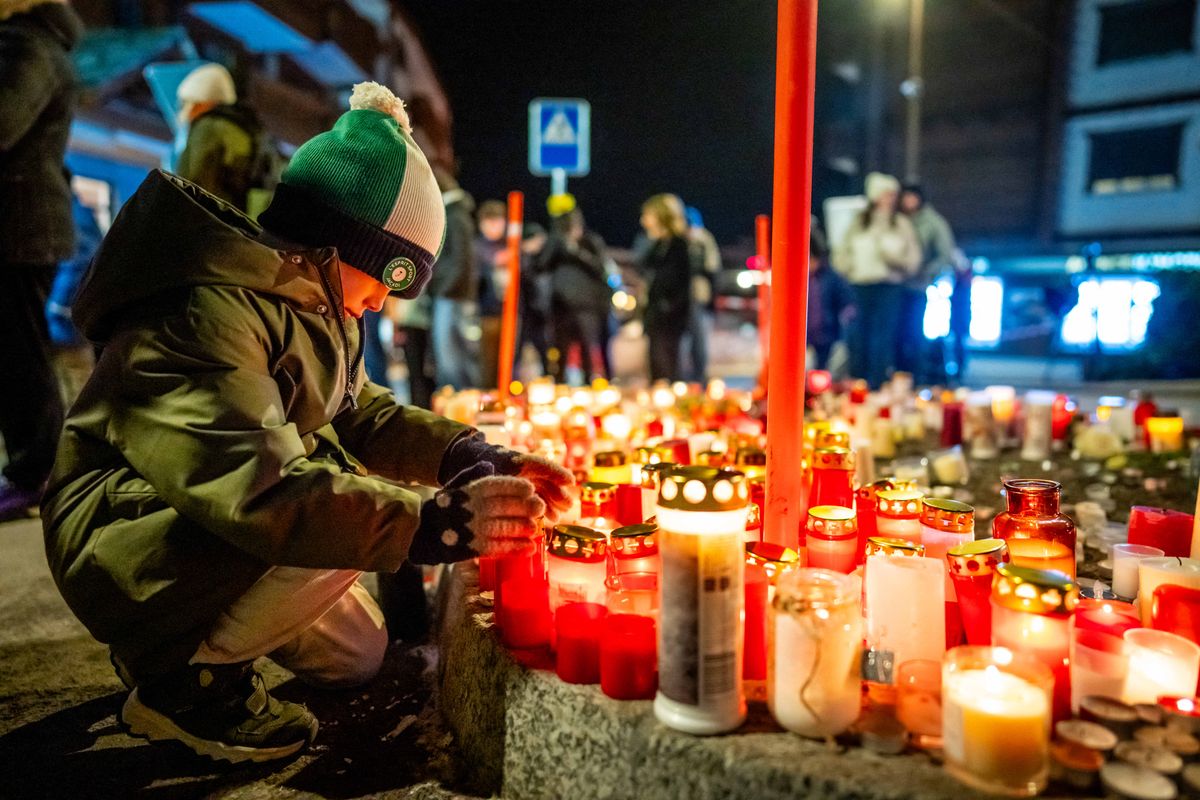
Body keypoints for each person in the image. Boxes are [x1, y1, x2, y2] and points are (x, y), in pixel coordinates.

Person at [42, 83, 574, 764]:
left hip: (209, 524)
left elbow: (362, 410)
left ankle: (191, 642)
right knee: (342, 503)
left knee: (360, 656)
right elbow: (256, 489)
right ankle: (179, 685)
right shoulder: (205, 314)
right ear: (339, 243)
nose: (384, 302)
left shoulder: (315, 299)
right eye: (388, 276)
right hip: (120, 539)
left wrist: (477, 456)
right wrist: (432, 523)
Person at [0, 0, 83, 521]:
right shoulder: (39, 45)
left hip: (17, 226)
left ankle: (35, 472)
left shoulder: (26, 45)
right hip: (25, 223)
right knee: (18, 349)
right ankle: (34, 469)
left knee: (18, 350)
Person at [833, 172, 921, 388]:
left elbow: (913, 258)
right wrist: (848, 269)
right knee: (858, 335)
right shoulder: (858, 223)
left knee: (882, 337)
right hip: (860, 285)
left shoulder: (899, 224)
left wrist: (893, 257)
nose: (891, 199)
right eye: (887, 195)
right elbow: (841, 253)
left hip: (888, 286)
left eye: (893, 195)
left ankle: (877, 382)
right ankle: (858, 382)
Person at [174, 63, 277, 217]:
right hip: (238, 226)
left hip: (207, 225)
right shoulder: (250, 130)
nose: (185, 114)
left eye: (186, 103)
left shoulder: (208, 128)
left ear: (200, 102)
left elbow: (193, 186)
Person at [538, 199, 612, 384]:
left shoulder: (590, 242)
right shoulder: (555, 243)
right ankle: (560, 384)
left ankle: (589, 383)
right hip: (560, 305)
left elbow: (601, 268)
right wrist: (557, 243)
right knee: (560, 349)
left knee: (588, 348)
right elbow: (541, 265)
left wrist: (576, 252)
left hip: (586, 305)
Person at [897, 184, 957, 382]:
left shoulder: (933, 223)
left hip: (918, 286)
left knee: (914, 333)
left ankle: (917, 377)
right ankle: (899, 376)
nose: (908, 201)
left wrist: (926, 271)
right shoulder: (896, 219)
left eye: (911, 197)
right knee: (896, 336)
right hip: (895, 285)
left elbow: (945, 253)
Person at [427, 169, 478, 390]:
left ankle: (460, 405)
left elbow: (461, 260)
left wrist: (443, 288)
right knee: (452, 353)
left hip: (452, 296)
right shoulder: (457, 214)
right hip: (453, 294)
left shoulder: (456, 216)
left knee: (452, 355)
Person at [636, 194, 694, 382]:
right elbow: (643, 265)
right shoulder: (657, 244)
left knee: (668, 363)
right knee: (655, 364)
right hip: (655, 314)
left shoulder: (679, 244)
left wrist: (668, 306)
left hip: (671, 316)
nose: (643, 221)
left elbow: (682, 283)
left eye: (648, 216)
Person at [806, 224, 853, 372]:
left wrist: (846, 315)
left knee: (823, 368)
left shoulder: (830, 278)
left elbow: (846, 299)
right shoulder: (797, 281)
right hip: (805, 334)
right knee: (804, 369)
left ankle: (823, 393)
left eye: (812, 259)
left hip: (826, 332)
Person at [684, 205, 720, 384]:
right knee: (686, 341)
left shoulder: (703, 239)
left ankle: (699, 377)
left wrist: (712, 299)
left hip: (698, 295)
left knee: (698, 339)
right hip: (683, 296)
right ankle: (690, 377)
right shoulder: (681, 239)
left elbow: (712, 268)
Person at [475, 199, 507, 389]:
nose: (494, 226)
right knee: (486, 362)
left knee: (508, 360)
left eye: (498, 221)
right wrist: (494, 263)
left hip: (508, 312)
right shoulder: (477, 247)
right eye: (490, 221)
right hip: (485, 313)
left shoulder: (510, 246)